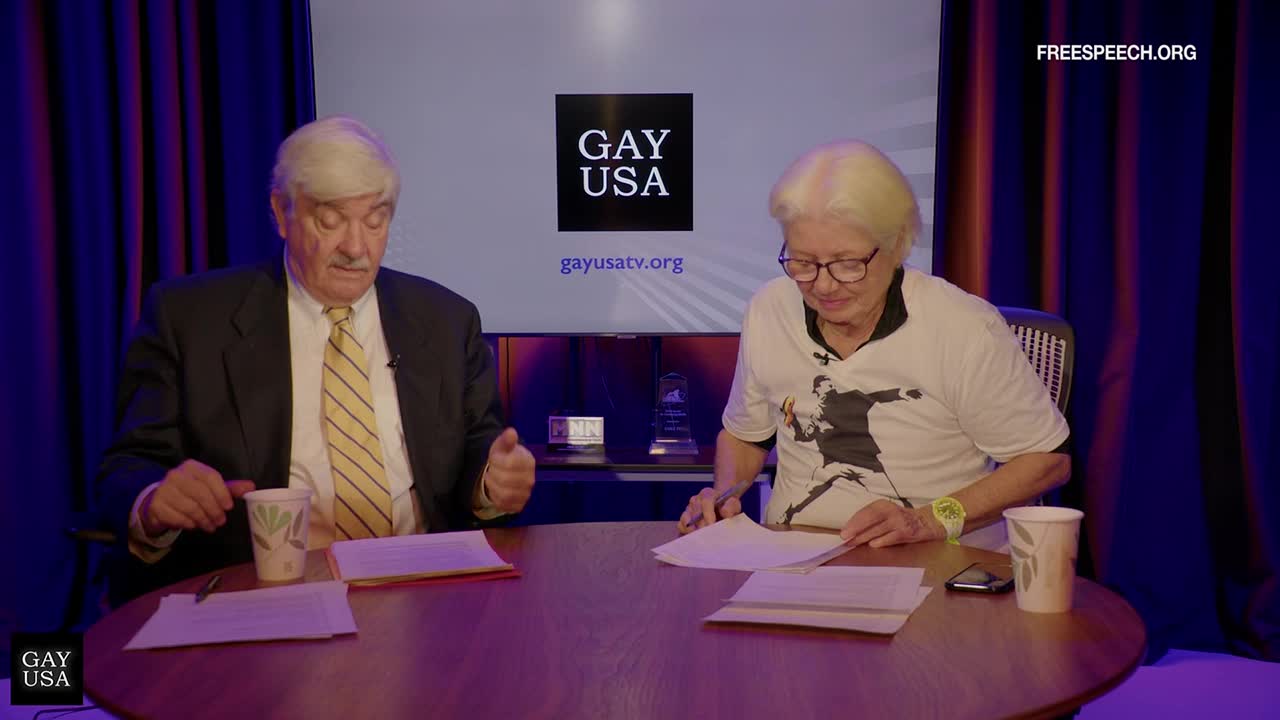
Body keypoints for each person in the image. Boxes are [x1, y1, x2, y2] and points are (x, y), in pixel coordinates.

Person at [97, 116, 536, 603]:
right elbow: (128, 468)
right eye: (330, 221)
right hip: (262, 596)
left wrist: (491, 483)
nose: (356, 247)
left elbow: (479, 446)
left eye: (375, 220)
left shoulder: (446, 320)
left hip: (424, 594)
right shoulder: (190, 320)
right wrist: (155, 500)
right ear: (281, 212)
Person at [678, 140, 1070, 549]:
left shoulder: (963, 327)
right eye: (803, 262)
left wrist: (927, 521)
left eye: (848, 264)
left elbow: (1046, 462)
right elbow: (746, 436)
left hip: (934, 561)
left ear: (897, 244)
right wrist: (722, 497)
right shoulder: (769, 309)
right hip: (790, 557)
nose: (823, 286)